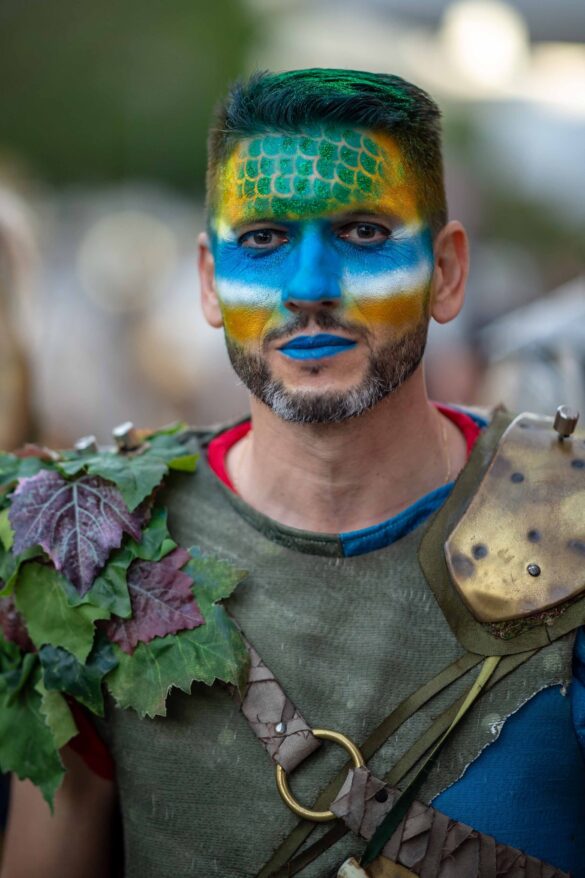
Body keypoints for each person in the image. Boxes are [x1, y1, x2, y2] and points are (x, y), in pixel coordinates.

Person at [2, 68, 585, 878]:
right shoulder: (93, 545)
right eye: (264, 240)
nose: (309, 289)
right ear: (210, 281)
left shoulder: (569, 520)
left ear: (447, 272)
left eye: (363, 233)